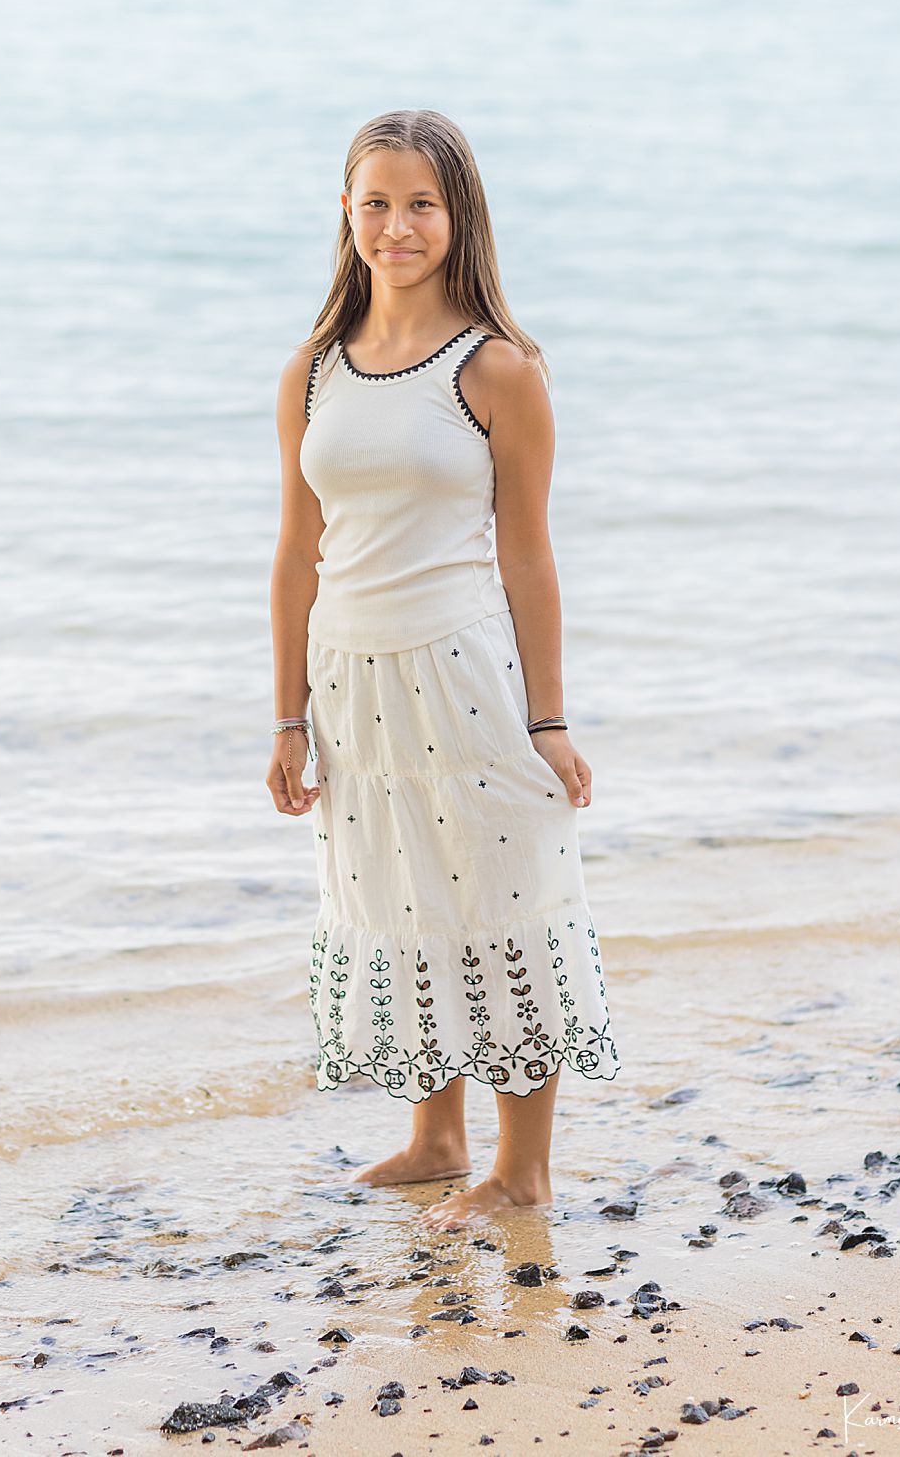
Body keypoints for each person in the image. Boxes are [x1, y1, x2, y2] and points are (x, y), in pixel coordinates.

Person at [268, 108, 620, 1230]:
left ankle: (522, 1170)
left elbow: (529, 553)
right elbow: (294, 550)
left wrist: (550, 718)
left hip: (464, 673)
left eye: (421, 203)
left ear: (457, 216)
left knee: (498, 902)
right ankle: (434, 1138)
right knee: (394, 896)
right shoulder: (314, 369)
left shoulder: (498, 369)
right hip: (351, 680)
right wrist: (285, 717)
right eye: (376, 201)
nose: (397, 225)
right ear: (346, 212)